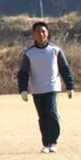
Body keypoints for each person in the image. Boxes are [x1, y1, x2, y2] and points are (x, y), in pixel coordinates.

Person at [17, 21, 75, 153]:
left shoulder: (55, 50)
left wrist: (70, 86)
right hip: (37, 89)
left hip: (52, 87)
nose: (41, 34)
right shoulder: (29, 53)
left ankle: (53, 142)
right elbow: (23, 73)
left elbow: (65, 69)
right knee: (42, 117)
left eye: (43, 32)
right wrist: (23, 90)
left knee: (51, 113)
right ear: (34, 35)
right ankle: (46, 143)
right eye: (38, 32)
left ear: (47, 33)